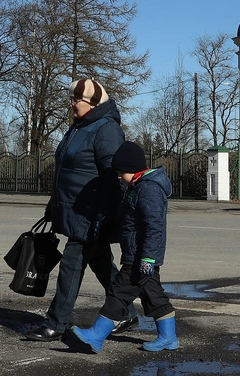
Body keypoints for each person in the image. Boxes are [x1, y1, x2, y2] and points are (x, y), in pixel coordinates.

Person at [24, 79, 138, 342]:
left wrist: (105, 215)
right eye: (72, 99)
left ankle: (56, 322)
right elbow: (67, 171)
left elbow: (115, 176)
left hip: (92, 213)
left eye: (77, 99)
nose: (72, 104)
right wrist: (53, 206)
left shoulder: (106, 129)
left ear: (94, 103)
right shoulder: (78, 127)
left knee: (71, 265)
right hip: (76, 210)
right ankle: (126, 311)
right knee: (101, 265)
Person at [70, 140, 178, 354]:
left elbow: (154, 227)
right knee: (152, 295)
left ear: (133, 169)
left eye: (121, 172)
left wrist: (147, 258)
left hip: (140, 257)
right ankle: (169, 337)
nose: (119, 177)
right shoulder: (138, 186)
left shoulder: (147, 189)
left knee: (119, 293)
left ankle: (96, 336)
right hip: (137, 254)